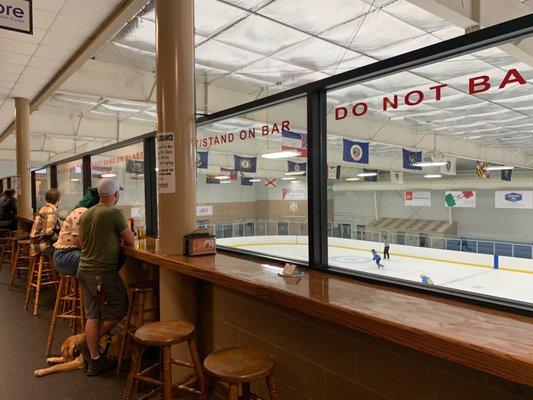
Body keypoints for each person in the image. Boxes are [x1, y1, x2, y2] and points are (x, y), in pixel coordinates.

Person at [75, 178, 134, 376]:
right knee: (121, 307)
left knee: (92, 314)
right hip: (102, 272)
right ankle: (86, 341)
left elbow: (82, 243)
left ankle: (95, 360)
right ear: (115, 195)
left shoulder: (86, 213)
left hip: (83, 270)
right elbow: (130, 240)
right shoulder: (114, 213)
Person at [53, 188, 100, 276]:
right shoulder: (82, 211)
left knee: (99, 259)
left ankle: (91, 288)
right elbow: (77, 240)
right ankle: (92, 288)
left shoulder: (87, 213)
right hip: (64, 257)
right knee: (99, 260)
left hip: (69, 255)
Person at [29, 189, 61, 257]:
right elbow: (48, 231)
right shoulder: (51, 211)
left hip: (34, 243)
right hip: (42, 246)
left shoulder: (43, 208)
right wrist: (59, 239)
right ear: (57, 199)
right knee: (66, 249)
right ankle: (57, 267)